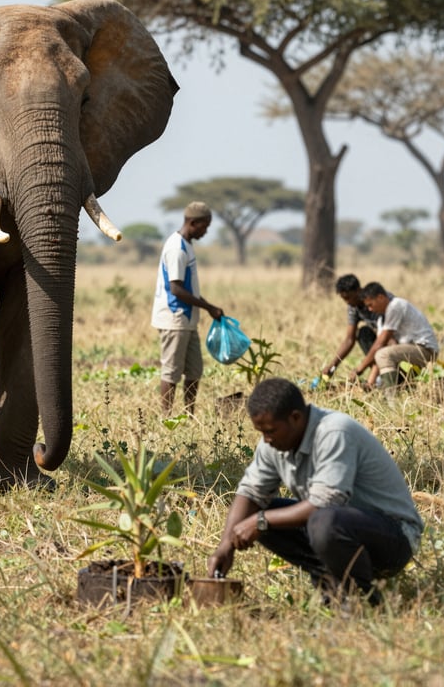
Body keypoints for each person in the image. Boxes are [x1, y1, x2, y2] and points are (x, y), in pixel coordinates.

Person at [207, 378, 423, 606]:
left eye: (270, 431)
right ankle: (333, 584)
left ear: (295, 418)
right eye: (261, 432)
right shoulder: (273, 444)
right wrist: (225, 547)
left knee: (321, 520)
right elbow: (250, 493)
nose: (266, 439)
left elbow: (326, 502)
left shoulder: (334, 432)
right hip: (341, 527)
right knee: (260, 514)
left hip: (394, 537)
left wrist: (261, 521)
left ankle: (360, 599)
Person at [151, 201, 224, 415]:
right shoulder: (176, 248)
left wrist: (208, 307)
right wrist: (208, 306)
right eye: (204, 226)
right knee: (171, 371)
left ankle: (189, 415)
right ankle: (167, 417)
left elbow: (187, 287)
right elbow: (176, 289)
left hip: (186, 319)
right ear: (193, 222)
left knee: (194, 369)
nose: (206, 231)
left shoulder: (186, 245)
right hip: (175, 317)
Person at [350, 282, 439, 391]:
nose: (370, 309)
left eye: (370, 304)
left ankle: (391, 400)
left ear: (380, 297)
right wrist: (370, 382)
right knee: (383, 354)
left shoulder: (396, 306)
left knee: (383, 355)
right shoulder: (381, 320)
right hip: (409, 351)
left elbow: (380, 344)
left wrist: (359, 369)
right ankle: (388, 389)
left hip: (424, 349)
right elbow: (382, 348)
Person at [320, 274, 392, 385]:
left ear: (358, 291)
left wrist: (360, 368)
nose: (347, 302)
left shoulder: (380, 300)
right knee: (363, 333)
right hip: (380, 339)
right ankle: (378, 374)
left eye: (349, 298)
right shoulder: (353, 307)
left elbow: (384, 338)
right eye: (344, 299)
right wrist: (333, 365)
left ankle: (382, 376)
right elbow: (349, 339)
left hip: (394, 340)